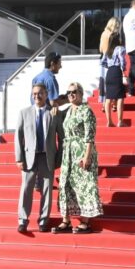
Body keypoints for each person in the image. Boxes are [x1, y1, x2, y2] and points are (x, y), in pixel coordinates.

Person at [51, 82, 102, 234]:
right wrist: (57, 105)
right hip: (68, 153)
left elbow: (90, 137)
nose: (71, 94)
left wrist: (87, 156)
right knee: (65, 184)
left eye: (74, 92)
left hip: (82, 152)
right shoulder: (69, 110)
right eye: (69, 92)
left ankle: (85, 222)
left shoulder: (86, 111)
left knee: (85, 185)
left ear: (81, 93)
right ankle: (65, 220)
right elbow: (55, 106)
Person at [15, 84, 62, 233]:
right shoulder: (24, 113)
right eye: (34, 94)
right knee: (26, 189)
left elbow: (62, 137)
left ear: (46, 94)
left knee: (47, 189)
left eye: (40, 93)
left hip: (47, 157)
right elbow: (18, 136)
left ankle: (43, 221)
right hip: (29, 157)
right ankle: (23, 220)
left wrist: (58, 157)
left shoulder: (54, 113)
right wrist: (19, 158)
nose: (37, 96)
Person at [100, 45, 127, 127]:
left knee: (108, 98)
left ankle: (109, 121)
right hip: (117, 71)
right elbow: (122, 60)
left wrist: (109, 65)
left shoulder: (107, 49)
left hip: (109, 72)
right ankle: (120, 121)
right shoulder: (120, 48)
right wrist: (123, 68)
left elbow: (102, 62)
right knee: (120, 97)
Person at [98, 16, 121, 104]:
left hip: (103, 58)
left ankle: (104, 102)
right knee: (113, 81)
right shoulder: (113, 35)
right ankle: (113, 102)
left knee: (104, 81)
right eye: (118, 26)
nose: (118, 28)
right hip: (111, 59)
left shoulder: (104, 33)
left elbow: (101, 49)